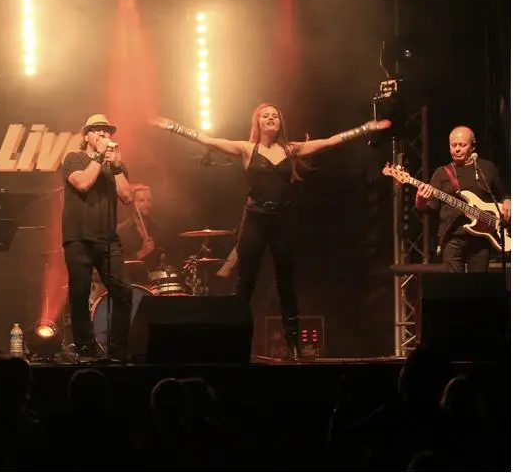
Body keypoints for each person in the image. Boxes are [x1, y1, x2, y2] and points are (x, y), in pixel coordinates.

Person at [151, 104, 390, 361]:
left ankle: (294, 347)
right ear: (258, 123)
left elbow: (329, 142)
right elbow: (207, 139)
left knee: (286, 284)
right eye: (266, 115)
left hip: (283, 219)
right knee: (245, 284)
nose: (271, 118)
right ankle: (234, 343)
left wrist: (365, 128)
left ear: (280, 123)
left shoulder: (292, 149)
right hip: (255, 218)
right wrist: (172, 126)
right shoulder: (246, 149)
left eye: (275, 115)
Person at [62, 113, 135, 361]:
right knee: (80, 293)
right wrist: (98, 157)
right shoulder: (73, 158)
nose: (104, 134)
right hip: (78, 238)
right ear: (87, 136)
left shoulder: (115, 166)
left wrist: (115, 167)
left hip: (108, 239)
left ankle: (118, 350)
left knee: (124, 292)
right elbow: (82, 184)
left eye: (107, 130)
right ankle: (86, 349)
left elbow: (127, 197)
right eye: (98, 130)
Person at [413, 126, 510, 273]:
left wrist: (508, 200)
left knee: (477, 287)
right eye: (453, 145)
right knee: (454, 288)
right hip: (451, 238)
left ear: (473, 146)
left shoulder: (487, 168)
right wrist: (420, 199)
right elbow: (426, 209)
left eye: (462, 145)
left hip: (482, 239)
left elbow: (503, 193)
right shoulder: (441, 173)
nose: (457, 149)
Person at [116, 185, 165, 285]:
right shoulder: (121, 231)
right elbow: (117, 266)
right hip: (132, 285)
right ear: (133, 204)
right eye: (142, 201)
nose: (147, 204)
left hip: (157, 284)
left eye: (149, 200)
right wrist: (142, 252)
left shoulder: (159, 228)